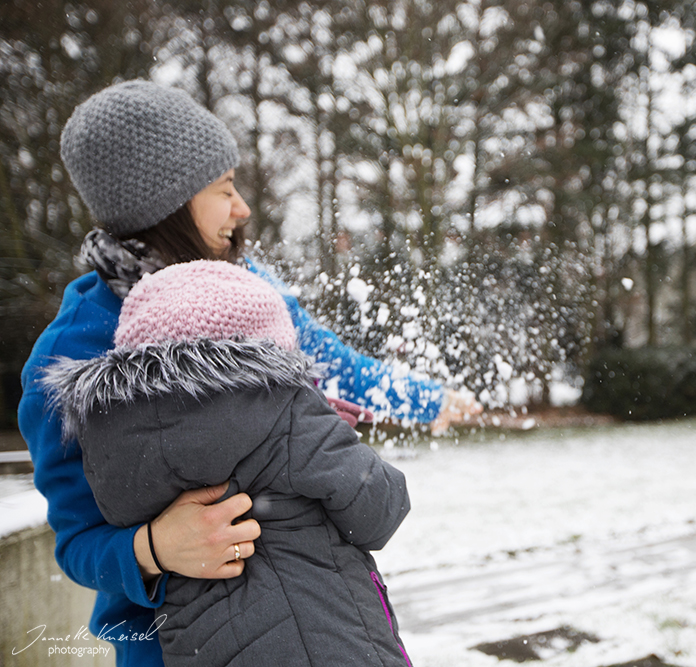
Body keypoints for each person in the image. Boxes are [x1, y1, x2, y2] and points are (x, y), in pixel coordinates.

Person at [18, 79, 478, 666]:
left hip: (321, 625)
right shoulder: (70, 354)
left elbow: (331, 364)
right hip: (172, 648)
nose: (242, 208)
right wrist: (153, 547)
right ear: (166, 204)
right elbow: (77, 541)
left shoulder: (247, 290)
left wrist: (426, 399)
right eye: (224, 188)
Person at [41, 260, 412, 665]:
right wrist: (320, 421)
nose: (241, 207)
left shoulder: (114, 445)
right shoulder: (290, 412)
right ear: (268, 354)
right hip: (329, 641)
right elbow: (381, 509)